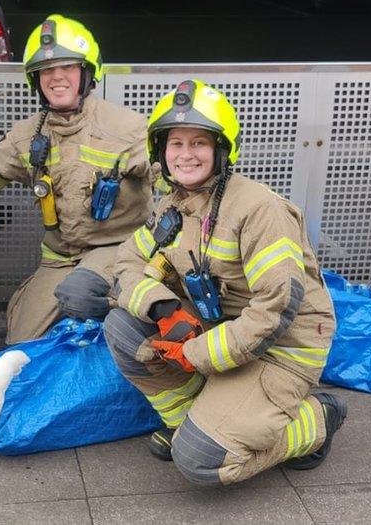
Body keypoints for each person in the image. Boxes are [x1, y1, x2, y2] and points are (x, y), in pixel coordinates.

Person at [103, 79, 347, 486]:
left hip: (280, 350)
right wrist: (163, 308)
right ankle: (189, 420)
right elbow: (126, 261)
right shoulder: (174, 205)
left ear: (221, 150)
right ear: (160, 151)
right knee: (122, 326)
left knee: (201, 463)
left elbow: (277, 308)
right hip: (221, 338)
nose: (186, 155)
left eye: (199, 143)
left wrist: (195, 352)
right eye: (175, 143)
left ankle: (318, 418)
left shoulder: (259, 209)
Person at [0, 14, 152, 343]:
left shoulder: (128, 128)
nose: (57, 78)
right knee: (20, 342)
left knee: (80, 294)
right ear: (35, 79)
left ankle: (125, 328)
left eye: (67, 67)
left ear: (87, 73)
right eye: (46, 70)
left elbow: (176, 183)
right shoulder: (27, 135)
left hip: (116, 249)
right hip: (59, 258)